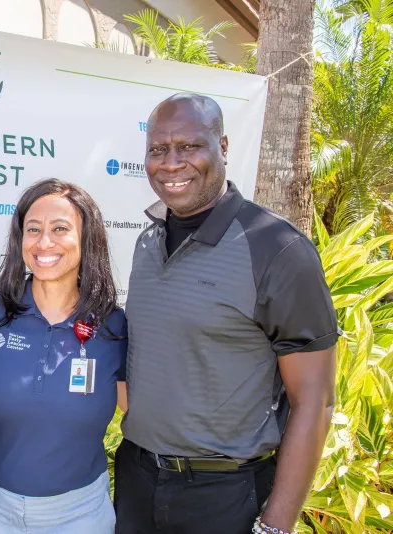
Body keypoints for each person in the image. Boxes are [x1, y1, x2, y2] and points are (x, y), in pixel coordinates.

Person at [114, 93, 338, 534]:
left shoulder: (277, 248)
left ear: (224, 147)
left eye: (190, 146)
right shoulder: (146, 242)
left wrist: (276, 526)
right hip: (137, 479)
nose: (172, 162)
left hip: (224, 496)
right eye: (158, 150)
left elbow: (315, 400)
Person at [0, 178, 129, 534]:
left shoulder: (113, 325)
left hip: (80, 515)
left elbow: (140, 414)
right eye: (33, 229)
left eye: (60, 228)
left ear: (86, 239)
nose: (44, 241)